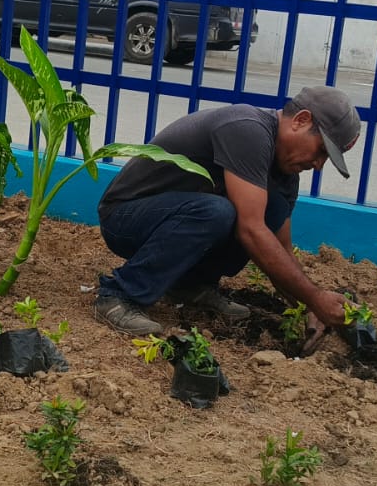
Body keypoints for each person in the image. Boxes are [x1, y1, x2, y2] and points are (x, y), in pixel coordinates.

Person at [93, 85, 362, 337]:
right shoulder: (247, 129)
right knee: (220, 212)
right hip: (125, 217)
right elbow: (251, 231)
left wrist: (308, 307)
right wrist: (315, 298)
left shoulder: (286, 175)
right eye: (321, 151)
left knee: (273, 208)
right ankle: (119, 296)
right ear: (301, 120)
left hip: (174, 220)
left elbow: (281, 248)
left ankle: (190, 285)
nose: (319, 165)